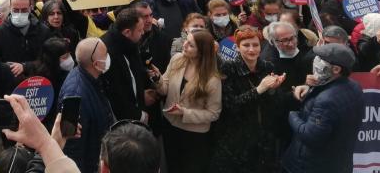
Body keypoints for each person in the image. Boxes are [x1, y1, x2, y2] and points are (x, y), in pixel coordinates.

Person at [209, 26, 285, 173]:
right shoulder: (228, 68)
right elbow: (230, 105)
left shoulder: (267, 66)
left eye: (255, 45)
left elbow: (273, 104)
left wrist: (274, 89)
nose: (251, 50)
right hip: (236, 138)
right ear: (237, 47)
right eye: (246, 45)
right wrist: (259, 89)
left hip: (262, 136)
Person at [282, 43, 364, 173]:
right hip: (338, 162)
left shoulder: (327, 101)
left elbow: (310, 136)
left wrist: (292, 115)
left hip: (311, 165)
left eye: (321, 59)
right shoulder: (354, 86)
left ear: (336, 69)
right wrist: (309, 89)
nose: (315, 61)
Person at [154, 29, 221, 173]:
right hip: (170, 126)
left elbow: (213, 114)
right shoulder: (177, 59)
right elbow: (164, 88)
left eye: (191, 45)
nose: (184, 45)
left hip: (193, 135)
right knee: (173, 166)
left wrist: (184, 112)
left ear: (202, 51)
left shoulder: (212, 79)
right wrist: (157, 79)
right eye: (186, 41)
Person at [58, 38, 116, 173]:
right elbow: (73, 148)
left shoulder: (91, 77)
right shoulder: (75, 95)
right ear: (96, 64)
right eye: (105, 54)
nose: (108, 57)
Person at [0, 0, 51, 78]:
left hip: (37, 82)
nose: (19, 13)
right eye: (16, 10)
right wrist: (6, 67)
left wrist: (25, 66)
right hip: (9, 84)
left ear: (31, 8)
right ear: (10, 8)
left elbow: (48, 60)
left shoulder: (43, 31)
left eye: (24, 10)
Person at [100, 8, 148, 121]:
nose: (143, 33)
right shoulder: (107, 52)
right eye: (140, 30)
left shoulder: (130, 42)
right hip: (124, 119)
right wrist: (138, 115)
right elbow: (116, 94)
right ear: (127, 32)